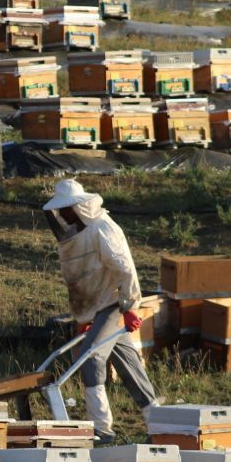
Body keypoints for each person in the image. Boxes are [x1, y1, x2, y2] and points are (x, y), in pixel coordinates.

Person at [43, 178, 158, 445]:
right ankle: (159, 425)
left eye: (66, 209)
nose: (63, 215)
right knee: (130, 367)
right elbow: (81, 281)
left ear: (79, 206)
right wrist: (85, 320)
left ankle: (101, 429)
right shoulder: (78, 235)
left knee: (90, 357)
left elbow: (125, 268)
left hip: (114, 304)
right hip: (97, 309)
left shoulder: (102, 228)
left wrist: (129, 306)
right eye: (60, 211)